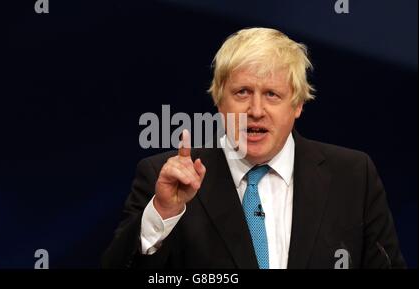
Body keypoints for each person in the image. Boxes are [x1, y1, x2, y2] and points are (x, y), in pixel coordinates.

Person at [102, 28, 405, 269]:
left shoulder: (352, 176)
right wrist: (164, 211)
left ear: (297, 104)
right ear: (219, 101)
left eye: (272, 94)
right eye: (242, 92)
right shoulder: (164, 177)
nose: (256, 110)